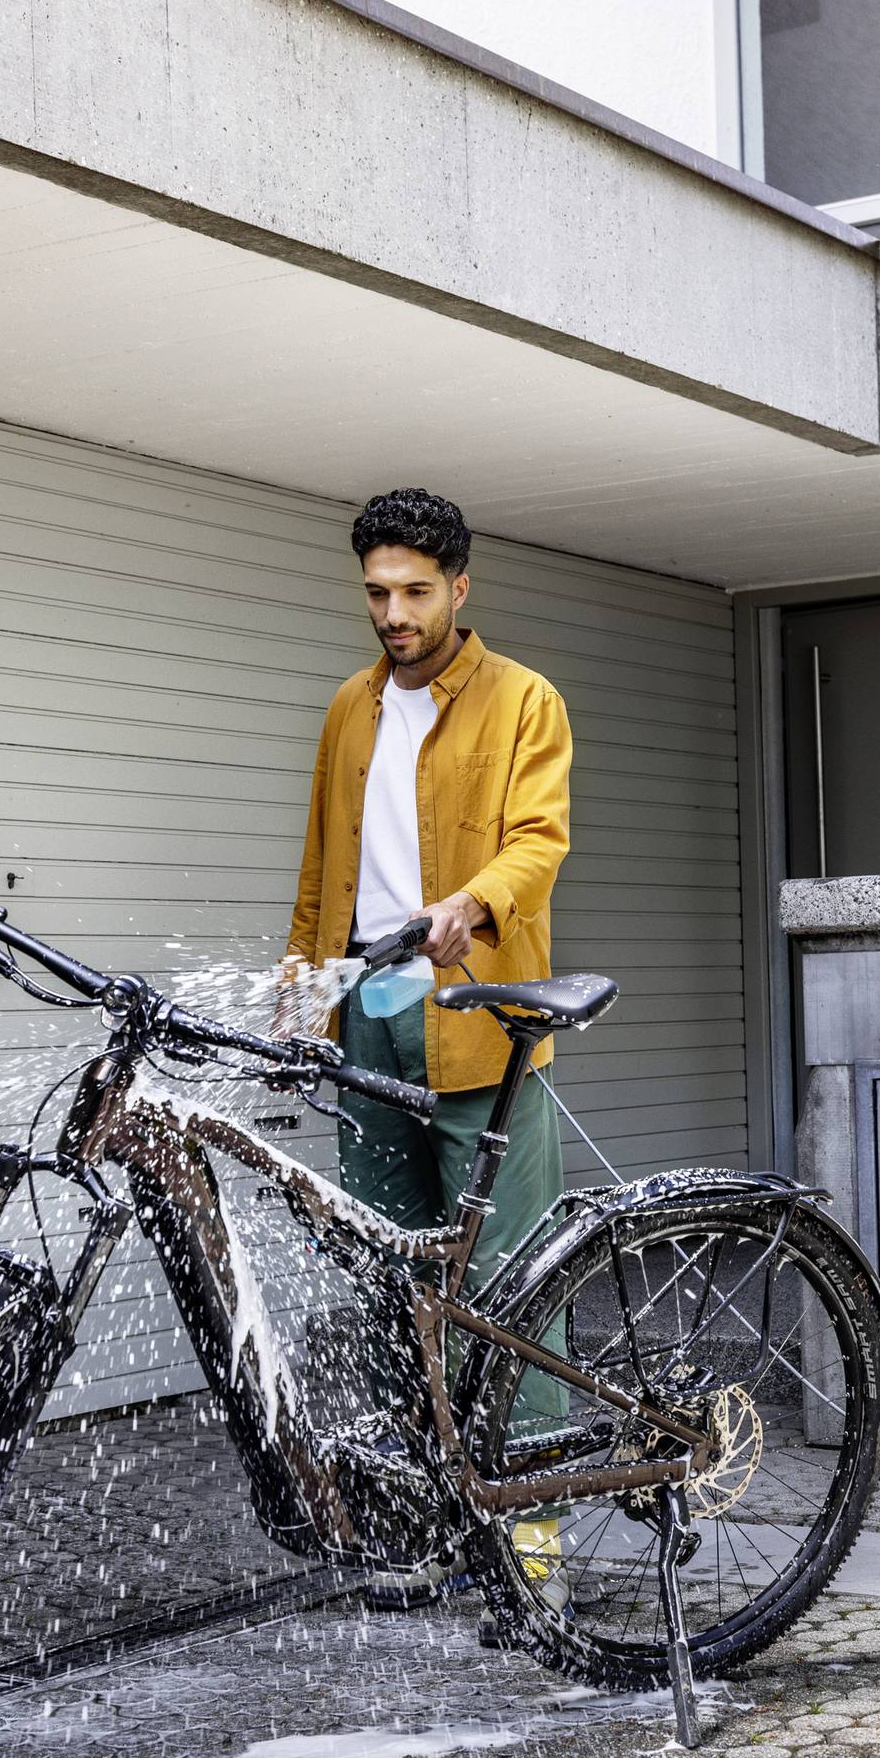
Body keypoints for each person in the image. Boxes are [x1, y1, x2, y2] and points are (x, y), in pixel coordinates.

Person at [283, 487, 573, 1290]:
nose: (394, 612)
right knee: (383, 1255)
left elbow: (537, 843)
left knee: (507, 1270)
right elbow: (318, 874)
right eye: (377, 591)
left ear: (458, 588)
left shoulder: (525, 699)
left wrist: (469, 903)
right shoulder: (350, 707)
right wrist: (298, 1000)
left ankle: (531, 1424)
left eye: (415, 591)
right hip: (366, 1004)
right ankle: (409, 1420)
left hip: (478, 1009)